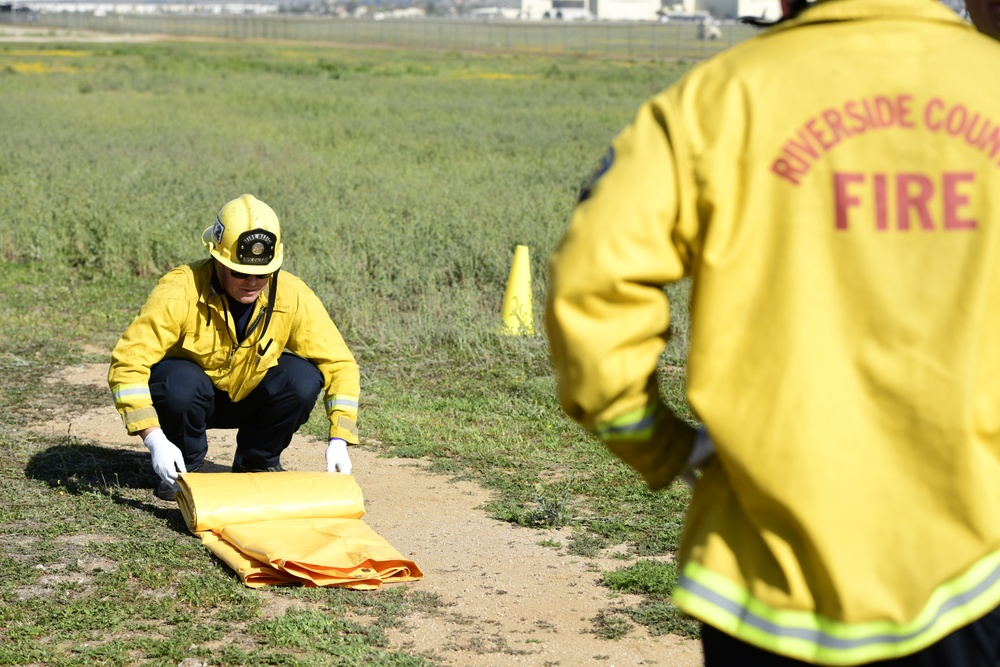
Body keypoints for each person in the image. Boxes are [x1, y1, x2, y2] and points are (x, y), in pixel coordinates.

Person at [545, 0, 1000, 664]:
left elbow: (590, 293)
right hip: (978, 578)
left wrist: (667, 449)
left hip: (760, 586)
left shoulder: (715, 100)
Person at [109, 194, 359, 501]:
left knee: (302, 378)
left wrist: (339, 439)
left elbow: (340, 364)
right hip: (191, 401)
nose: (252, 282)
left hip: (252, 397)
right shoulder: (179, 290)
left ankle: (257, 463)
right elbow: (128, 363)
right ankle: (182, 469)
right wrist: (154, 439)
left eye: (263, 274)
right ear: (217, 261)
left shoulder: (292, 295)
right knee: (178, 381)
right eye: (240, 272)